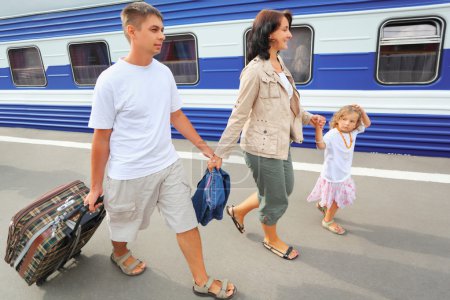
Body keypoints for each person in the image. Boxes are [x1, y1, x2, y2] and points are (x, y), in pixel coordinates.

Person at [84, 2, 236, 298]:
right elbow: (101, 138)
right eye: (154, 29)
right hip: (128, 174)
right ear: (132, 31)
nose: (162, 36)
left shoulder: (163, 73)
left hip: (167, 165)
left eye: (162, 30)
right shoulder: (110, 81)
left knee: (186, 221)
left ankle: (201, 280)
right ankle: (120, 253)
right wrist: (95, 187)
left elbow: (175, 115)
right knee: (124, 227)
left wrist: (205, 149)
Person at [208, 9, 325, 260]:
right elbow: (238, 114)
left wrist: (308, 117)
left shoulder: (279, 63)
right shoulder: (254, 71)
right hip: (261, 147)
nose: (290, 35)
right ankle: (271, 239)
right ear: (269, 34)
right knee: (276, 198)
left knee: (284, 188)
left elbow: (288, 103)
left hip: (281, 142)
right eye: (284, 29)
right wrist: (220, 154)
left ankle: (238, 211)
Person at [307, 104, 371, 235]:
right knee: (337, 199)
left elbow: (367, 124)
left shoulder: (354, 131)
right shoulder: (332, 134)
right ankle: (328, 220)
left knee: (334, 197)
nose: (347, 123)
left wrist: (362, 111)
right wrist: (318, 129)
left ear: (356, 124)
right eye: (344, 119)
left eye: (352, 121)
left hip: (344, 173)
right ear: (337, 119)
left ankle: (322, 205)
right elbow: (320, 146)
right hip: (333, 175)